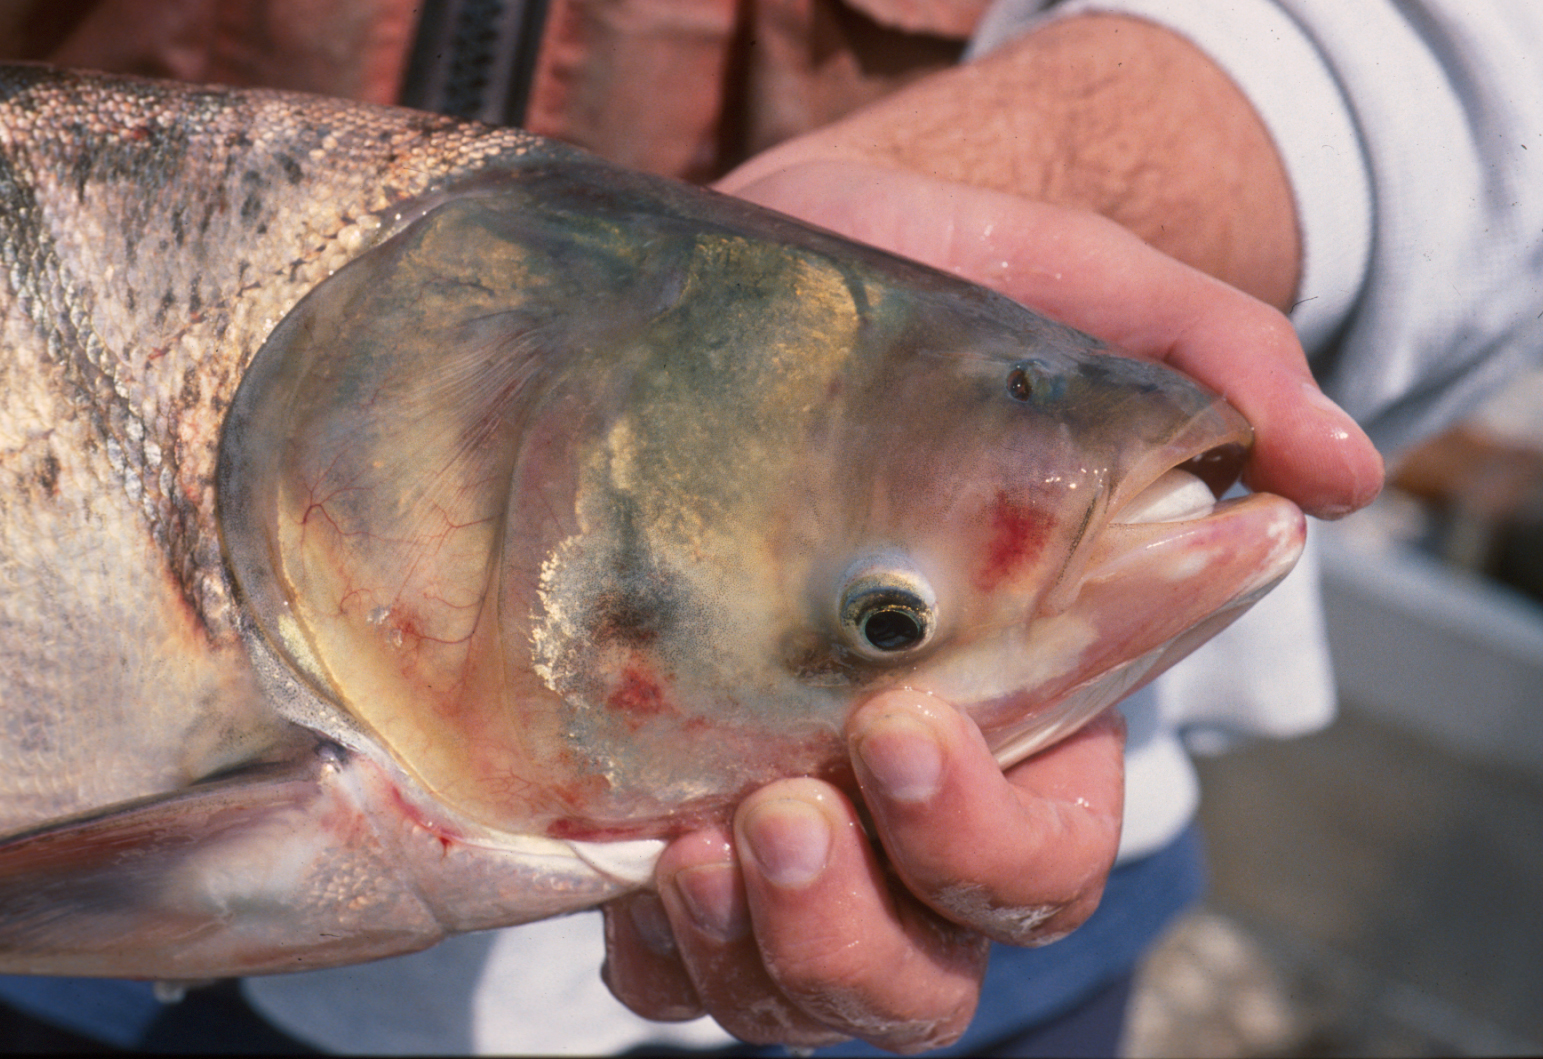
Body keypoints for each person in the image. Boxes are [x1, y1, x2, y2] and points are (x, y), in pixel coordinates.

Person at [1, 0, 1540, 1054]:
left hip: (975, 955)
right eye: (885, 618)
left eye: (888, 619)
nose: (893, 622)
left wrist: (1049, 190)